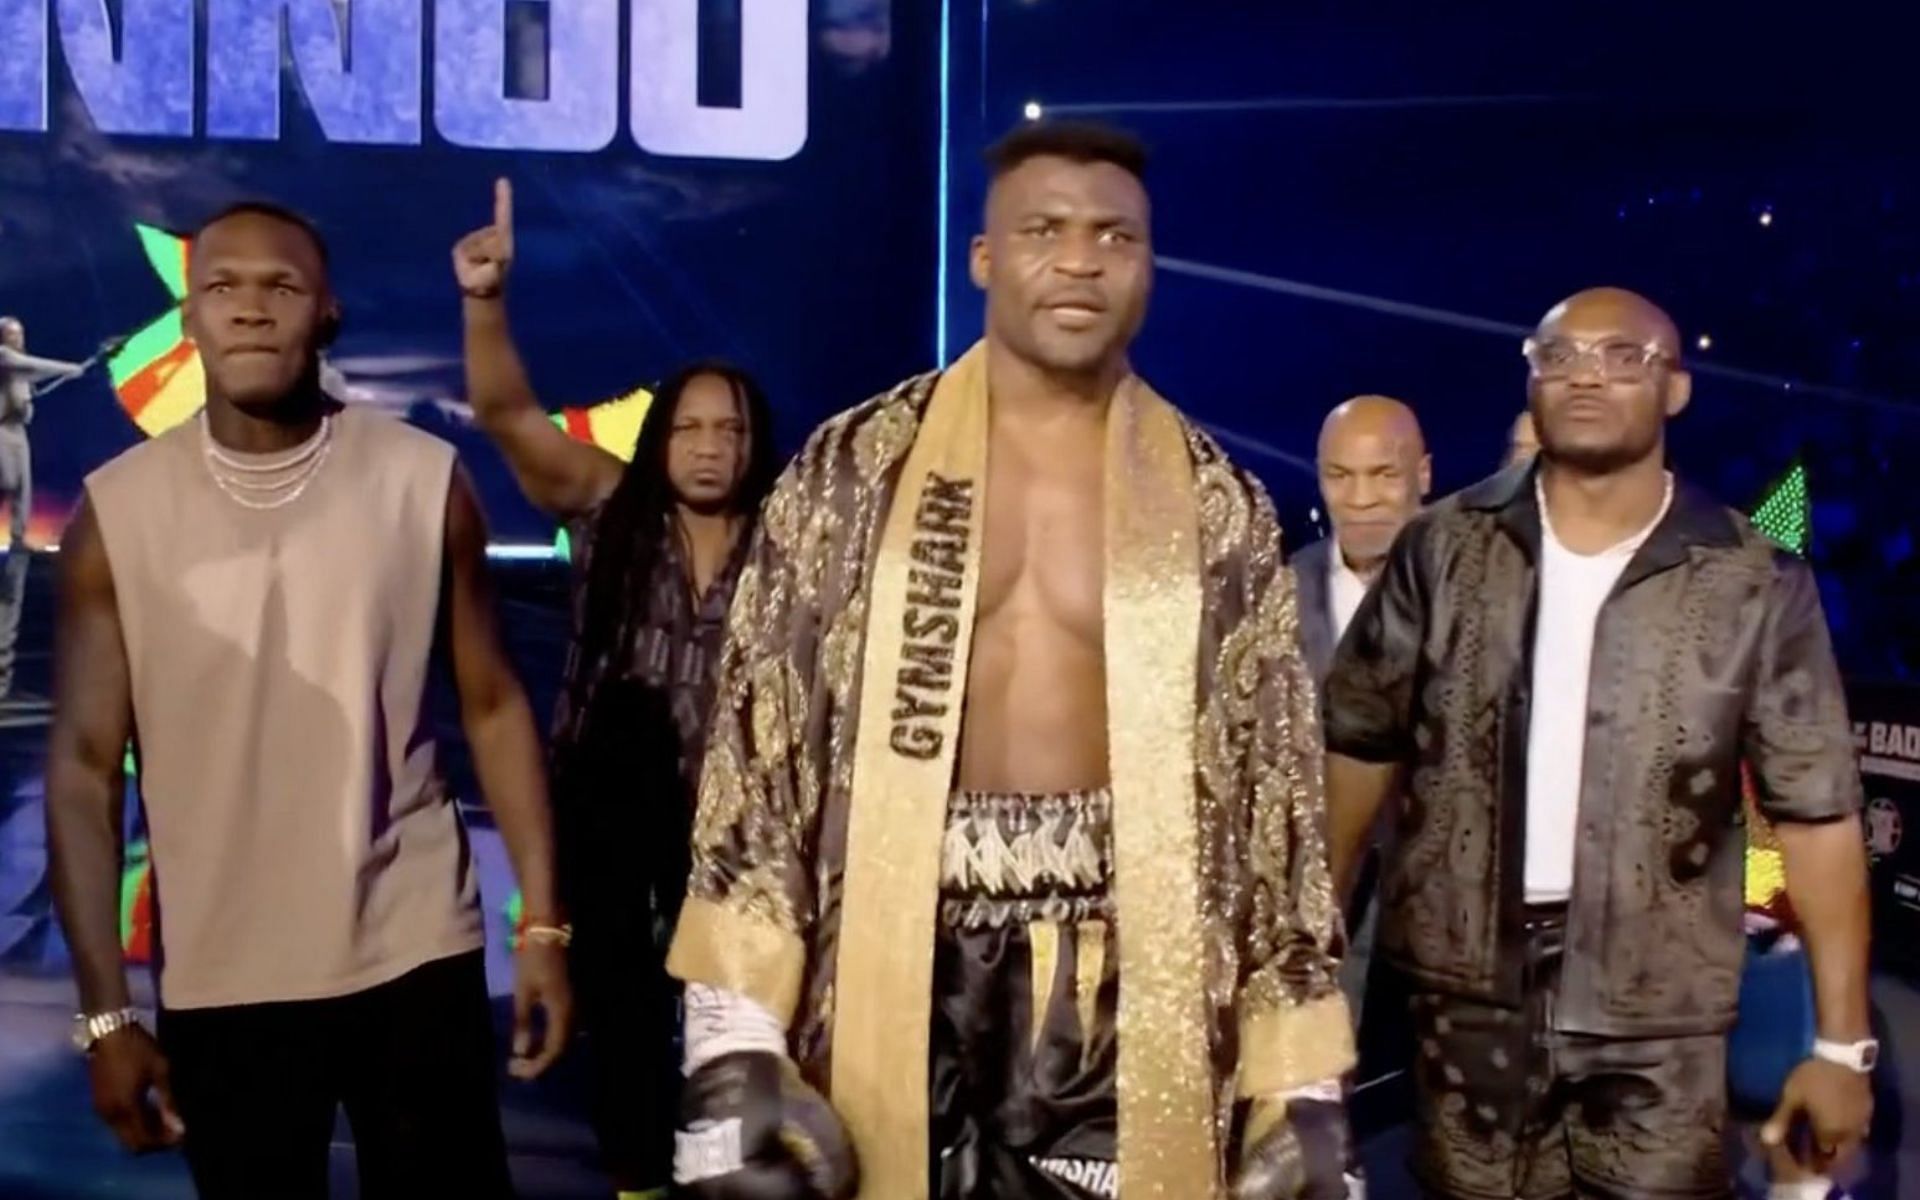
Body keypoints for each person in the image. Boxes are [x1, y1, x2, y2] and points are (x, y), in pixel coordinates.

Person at [666, 120, 1353, 1200]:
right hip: (885, 958)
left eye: (1114, 237)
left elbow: (1278, 807)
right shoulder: (856, 471)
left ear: (1149, 267)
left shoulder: (1218, 508)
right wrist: (730, 1035)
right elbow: (758, 750)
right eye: (1044, 230)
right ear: (984, 257)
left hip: (1131, 979)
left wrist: (1301, 1093)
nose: (1080, 259)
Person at [45, 201, 572, 1200]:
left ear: (327, 314)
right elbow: (79, 768)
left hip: (416, 951)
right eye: (222, 288)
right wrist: (107, 1016)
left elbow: (496, 705)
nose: (250, 309)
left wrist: (542, 926)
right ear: (190, 320)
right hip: (225, 972)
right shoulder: (117, 515)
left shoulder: (422, 482)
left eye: (280, 287)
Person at [1322, 286, 1874, 1199]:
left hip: (1661, 1013)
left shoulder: (1751, 578)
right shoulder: (1441, 550)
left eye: (1624, 358)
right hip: (1466, 997)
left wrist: (1842, 1045)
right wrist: (1306, 963)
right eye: (1559, 357)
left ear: (1677, 389)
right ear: (1531, 379)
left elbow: (1816, 812)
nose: (1586, 375)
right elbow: (1357, 747)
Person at [453, 178, 779, 1200]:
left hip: (735, 823)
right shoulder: (604, 502)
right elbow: (505, 411)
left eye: (729, 430)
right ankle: (636, 1182)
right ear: (658, 436)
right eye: (690, 428)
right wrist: (485, 301)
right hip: (605, 806)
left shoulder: (793, 541)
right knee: (624, 1013)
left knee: (735, 1020)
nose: (711, 446)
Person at [0, 316, 96, 548]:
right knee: (8, 482)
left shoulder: (18, 364)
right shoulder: (4, 356)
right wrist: (70, 368)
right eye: (11, 334)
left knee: (23, 487)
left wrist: (72, 371)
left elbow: (35, 374)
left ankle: (18, 539)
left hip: (18, 430)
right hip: (2, 431)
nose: (17, 338)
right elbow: (34, 367)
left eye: (19, 333)